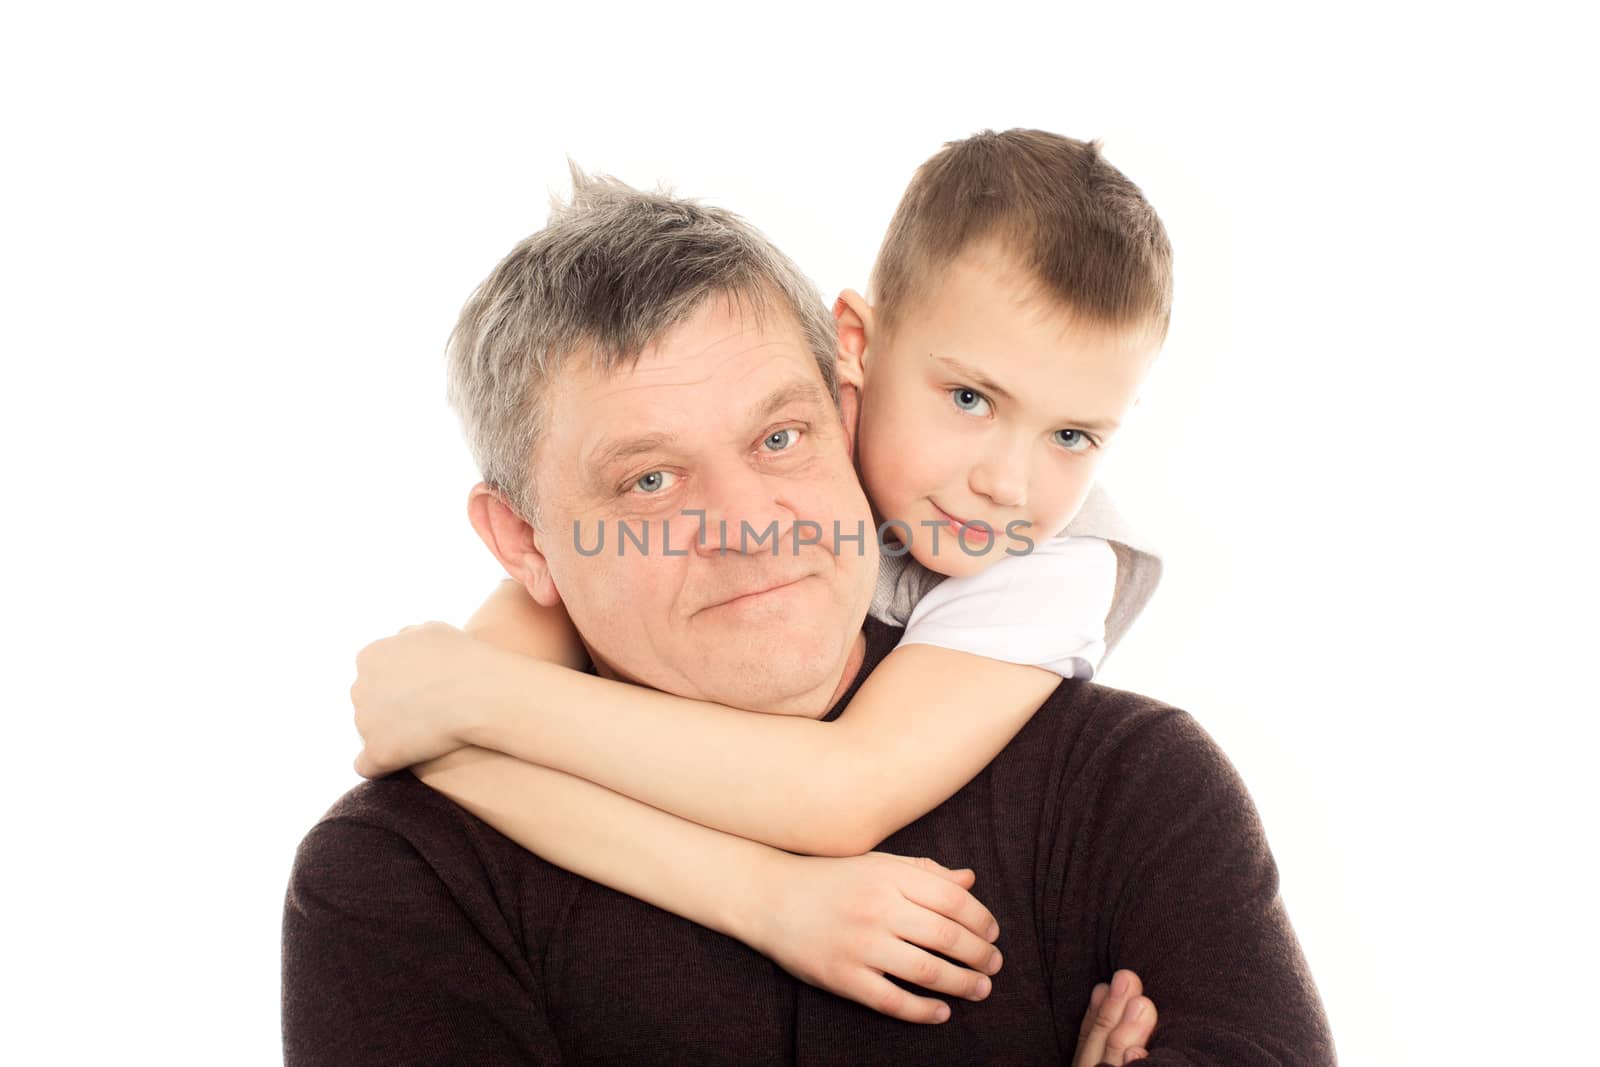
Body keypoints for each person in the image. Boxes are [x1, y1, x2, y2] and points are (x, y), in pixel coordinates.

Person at [283, 153, 1335, 1065]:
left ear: (843, 411)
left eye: (777, 438)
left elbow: (834, 792)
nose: (750, 523)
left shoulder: (1132, 786)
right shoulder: (399, 875)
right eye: (650, 481)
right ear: (522, 542)